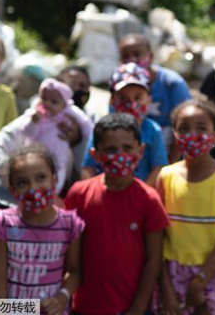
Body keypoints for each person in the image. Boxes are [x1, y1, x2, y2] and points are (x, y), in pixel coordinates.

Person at [65, 113, 169, 315]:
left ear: (141, 152)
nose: (119, 155)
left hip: (130, 308)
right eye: (111, 150)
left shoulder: (149, 199)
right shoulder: (79, 194)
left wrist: (138, 308)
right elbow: (71, 257)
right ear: (95, 155)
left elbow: (153, 259)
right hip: (85, 306)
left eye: (127, 148)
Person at [155, 99, 215, 315]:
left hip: (213, 273)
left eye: (201, 128)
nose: (192, 134)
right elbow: (157, 237)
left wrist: (201, 280)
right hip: (171, 274)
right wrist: (165, 286)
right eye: (184, 128)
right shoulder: (165, 176)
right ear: (174, 133)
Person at [0, 66, 93, 194]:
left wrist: (77, 141)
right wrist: (22, 168)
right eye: (71, 84)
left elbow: (91, 178)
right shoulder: (32, 120)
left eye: (82, 86)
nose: (76, 89)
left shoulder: (87, 130)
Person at [0, 146, 83, 311]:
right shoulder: (2, 223)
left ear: (54, 180)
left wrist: (62, 298)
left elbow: (75, 272)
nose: (33, 188)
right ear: (12, 190)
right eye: (23, 182)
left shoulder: (70, 224)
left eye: (41, 178)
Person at [82, 63, 168, 187]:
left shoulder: (153, 130)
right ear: (112, 100)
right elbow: (88, 168)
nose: (131, 104)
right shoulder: (100, 128)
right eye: (123, 98)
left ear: (148, 100)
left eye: (138, 98)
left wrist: (143, 195)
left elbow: (158, 168)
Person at [118, 33, 191, 151]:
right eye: (126, 56)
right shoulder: (119, 86)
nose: (132, 60)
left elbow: (186, 126)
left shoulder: (172, 83)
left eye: (137, 54)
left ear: (150, 56)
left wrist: (168, 165)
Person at [20, 78, 93, 195]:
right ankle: (31, 193)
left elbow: (86, 123)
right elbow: (26, 133)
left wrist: (90, 137)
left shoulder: (70, 112)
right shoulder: (35, 113)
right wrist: (33, 122)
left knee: (59, 172)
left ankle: (53, 193)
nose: (47, 104)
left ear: (64, 103)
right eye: (44, 99)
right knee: (32, 171)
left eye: (54, 102)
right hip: (36, 152)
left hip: (59, 153)